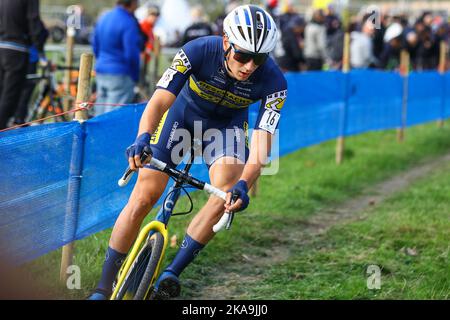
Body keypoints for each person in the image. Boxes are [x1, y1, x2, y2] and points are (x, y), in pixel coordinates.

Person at [88, 4, 287, 300]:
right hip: (181, 117)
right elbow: (157, 103)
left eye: (258, 59)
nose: (249, 66)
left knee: (226, 192)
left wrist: (245, 184)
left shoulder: (275, 82)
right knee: (144, 194)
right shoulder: (197, 51)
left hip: (226, 128)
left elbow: (262, 141)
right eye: (243, 55)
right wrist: (143, 137)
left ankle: (172, 272)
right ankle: (103, 288)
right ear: (226, 42)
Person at [0, 0, 47, 130]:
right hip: (17, 49)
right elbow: (33, 21)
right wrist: (41, 50)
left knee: (4, 95)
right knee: (9, 98)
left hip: (3, 47)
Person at [92, 0, 143, 116]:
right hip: (120, 74)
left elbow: (95, 44)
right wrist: (135, 76)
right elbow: (131, 54)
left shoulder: (104, 17)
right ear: (132, 3)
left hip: (101, 70)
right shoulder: (128, 22)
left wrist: (101, 62)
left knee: (100, 113)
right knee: (113, 117)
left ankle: (97, 135)